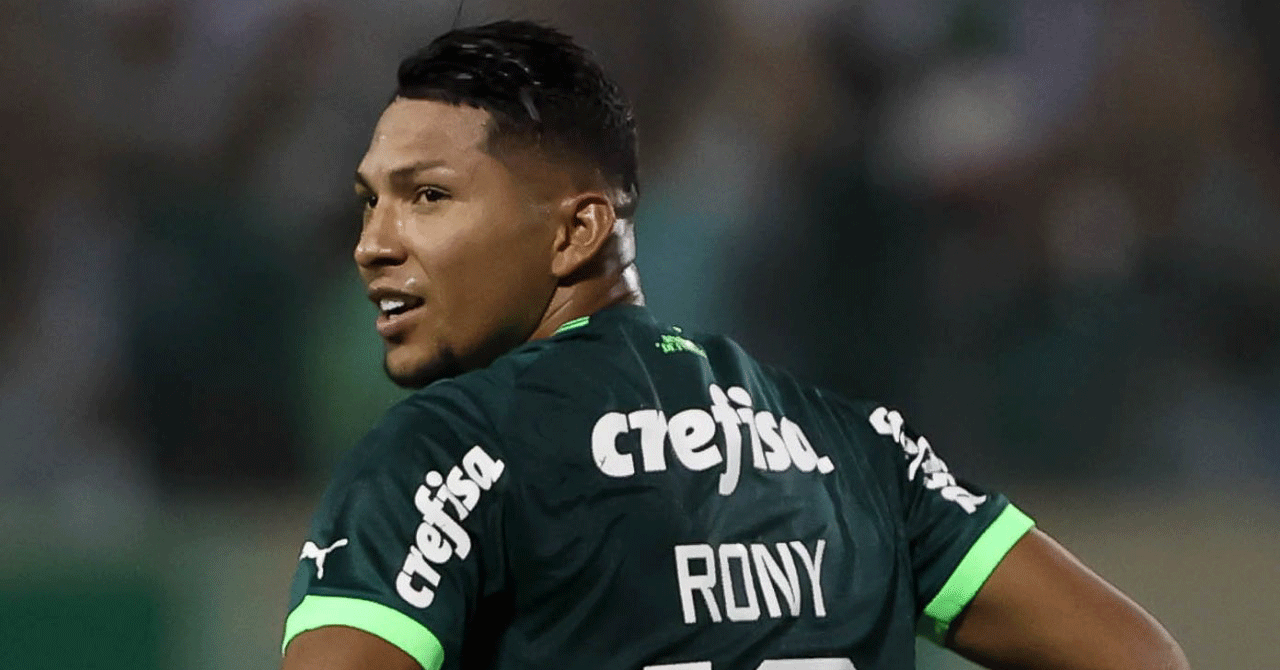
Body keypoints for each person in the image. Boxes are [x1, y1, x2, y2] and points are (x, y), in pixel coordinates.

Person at [280, 20, 1188, 670]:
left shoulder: (447, 451)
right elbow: (1138, 656)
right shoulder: (856, 450)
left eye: (428, 197)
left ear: (576, 231)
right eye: (370, 202)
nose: (374, 244)